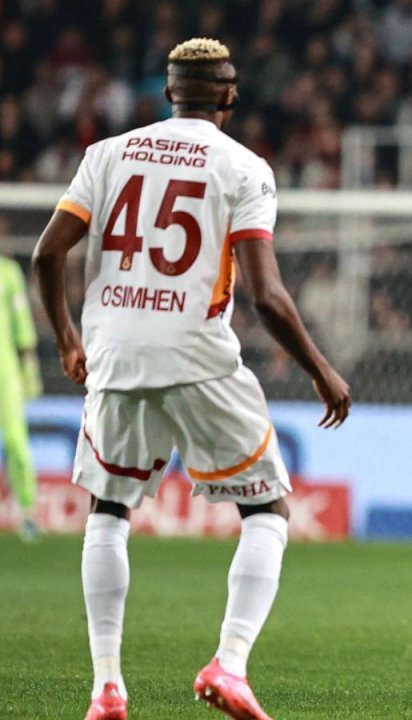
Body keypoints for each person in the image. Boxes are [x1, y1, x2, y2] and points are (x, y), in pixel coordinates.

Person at [31, 38, 350, 720]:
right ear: (230, 95)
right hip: (198, 355)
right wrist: (321, 369)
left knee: (108, 512)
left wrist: (67, 337)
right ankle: (229, 664)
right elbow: (266, 295)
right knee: (267, 511)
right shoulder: (244, 167)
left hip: (114, 355)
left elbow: (47, 254)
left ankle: (106, 688)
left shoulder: (107, 154)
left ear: (168, 92)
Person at [0, 252, 42, 541]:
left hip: (6, 373)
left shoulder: (8, 272)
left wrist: (29, 367)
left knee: (16, 442)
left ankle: (27, 512)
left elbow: (21, 320)